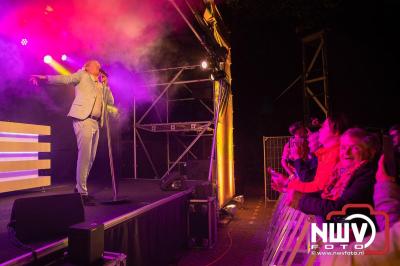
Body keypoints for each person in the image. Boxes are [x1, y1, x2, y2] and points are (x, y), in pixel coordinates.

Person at [30, 60, 114, 205]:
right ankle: (82, 192)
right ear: (87, 67)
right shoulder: (82, 75)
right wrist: (44, 78)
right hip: (83, 119)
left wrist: (106, 85)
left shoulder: (100, 85)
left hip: (95, 122)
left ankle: (79, 187)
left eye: (100, 65)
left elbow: (111, 101)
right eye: (96, 65)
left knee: (91, 158)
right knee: (85, 156)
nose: (100, 67)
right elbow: (65, 79)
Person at [289, 128, 376, 220]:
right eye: (343, 147)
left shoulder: (366, 175)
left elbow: (340, 207)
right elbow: (323, 192)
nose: (346, 152)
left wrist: (301, 201)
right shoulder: (341, 169)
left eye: (354, 147)